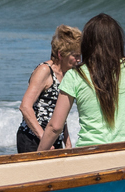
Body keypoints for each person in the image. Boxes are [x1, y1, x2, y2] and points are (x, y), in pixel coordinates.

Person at [39, 14, 125, 147]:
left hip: (90, 152)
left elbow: (55, 127)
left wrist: (38, 156)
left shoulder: (75, 74)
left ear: (87, 42)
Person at [16, 24, 82, 153]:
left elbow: (59, 112)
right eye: (75, 56)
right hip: (32, 138)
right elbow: (25, 107)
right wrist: (42, 137)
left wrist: (67, 141)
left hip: (53, 138)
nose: (79, 60)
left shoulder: (68, 74)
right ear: (61, 54)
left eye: (80, 55)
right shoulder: (45, 71)